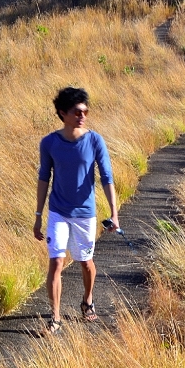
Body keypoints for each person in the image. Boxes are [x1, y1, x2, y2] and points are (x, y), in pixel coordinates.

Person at [34, 86, 118, 335]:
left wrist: (114, 212)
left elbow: (106, 176)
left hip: (85, 213)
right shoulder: (49, 143)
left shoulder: (94, 140)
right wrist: (38, 216)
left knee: (85, 262)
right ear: (62, 113)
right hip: (58, 211)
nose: (82, 115)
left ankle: (87, 300)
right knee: (56, 262)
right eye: (77, 111)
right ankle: (55, 319)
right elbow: (43, 178)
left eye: (85, 111)